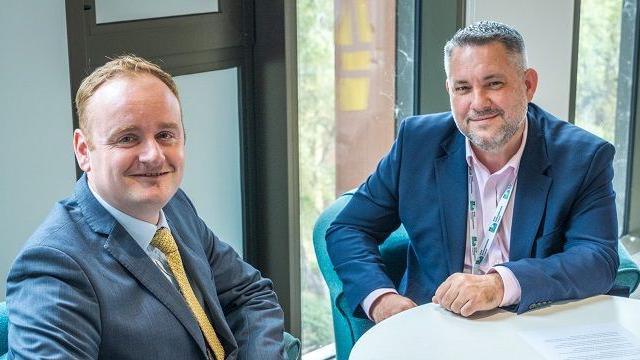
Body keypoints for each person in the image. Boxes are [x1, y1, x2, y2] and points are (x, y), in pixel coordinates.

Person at [326, 21, 619, 323]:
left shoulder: (583, 157)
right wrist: (382, 300)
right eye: (463, 88)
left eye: (494, 83)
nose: (478, 103)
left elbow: (598, 258)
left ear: (528, 84)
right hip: (434, 323)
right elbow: (349, 228)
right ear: (449, 91)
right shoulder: (417, 143)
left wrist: (499, 284)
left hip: (532, 322)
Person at [6, 56, 285, 359]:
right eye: (128, 138)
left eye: (165, 135)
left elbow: (249, 296)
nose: (153, 156)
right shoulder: (53, 266)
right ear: (84, 151)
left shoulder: (175, 206)